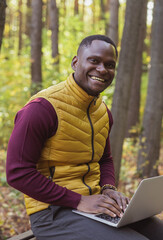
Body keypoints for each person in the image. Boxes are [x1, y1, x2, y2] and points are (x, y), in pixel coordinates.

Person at [6, 35, 163, 240]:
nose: (102, 69)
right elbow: (17, 173)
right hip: (52, 213)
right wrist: (79, 200)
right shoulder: (41, 109)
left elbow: (104, 159)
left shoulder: (103, 112)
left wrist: (107, 189)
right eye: (94, 61)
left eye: (110, 65)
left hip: (95, 205)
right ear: (75, 62)